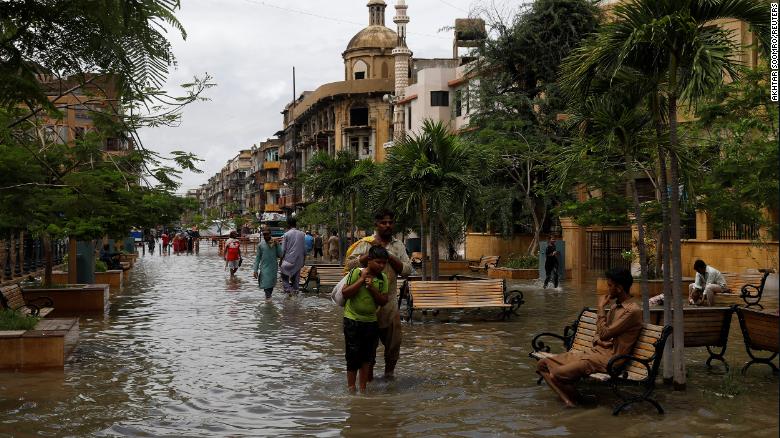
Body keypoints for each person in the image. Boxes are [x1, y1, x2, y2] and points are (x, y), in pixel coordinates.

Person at [536, 267, 642, 407]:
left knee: (556, 373)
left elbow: (603, 334)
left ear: (619, 288)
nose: (607, 289)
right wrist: (601, 339)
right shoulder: (615, 308)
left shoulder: (632, 311)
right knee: (542, 364)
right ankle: (569, 401)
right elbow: (599, 336)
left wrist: (600, 307)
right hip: (594, 353)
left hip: (610, 360)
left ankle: (580, 399)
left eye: (610, 286)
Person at [345, 209, 412, 380]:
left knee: (393, 346)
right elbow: (349, 265)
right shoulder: (366, 243)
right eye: (383, 222)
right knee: (368, 351)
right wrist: (370, 254)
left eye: (390, 222)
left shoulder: (398, 245)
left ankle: (389, 379)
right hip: (366, 309)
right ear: (376, 224)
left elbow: (407, 270)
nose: (387, 225)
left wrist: (388, 256)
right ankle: (369, 384)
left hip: (389, 305)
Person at [342, 245, 390, 393]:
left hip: (370, 322)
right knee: (352, 355)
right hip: (352, 320)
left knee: (367, 357)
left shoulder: (383, 279)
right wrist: (361, 281)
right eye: (378, 262)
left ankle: (362, 389)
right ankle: (351, 388)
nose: (381, 266)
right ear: (369, 260)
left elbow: (383, 301)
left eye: (384, 263)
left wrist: (372, 289)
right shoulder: (356, 273)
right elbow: (345, 293)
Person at [253, 226, 284, 300]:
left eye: (267, 234)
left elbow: (281, 255)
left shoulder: (275, 243)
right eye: (264, 234)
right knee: (266, 284)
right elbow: (257, 258)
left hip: (273, 268)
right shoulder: (260, 245)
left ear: (270, 234)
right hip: (264, 268)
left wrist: (277, 245)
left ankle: (268, 300)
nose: (266, 236)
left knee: (271, 285)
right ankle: (268, 300)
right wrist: (255, 270)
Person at [279, 217, 306, 294]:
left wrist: (280, 261)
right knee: (296, 281)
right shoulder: (302, 234)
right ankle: (295, 293)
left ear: (288, 225)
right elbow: (304, 250)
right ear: (295, 224)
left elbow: (283, 250)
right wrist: (303, 260)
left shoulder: (286, 234)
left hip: (288, 260)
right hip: (299, 261)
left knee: (284, 276)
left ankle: (289, 290)